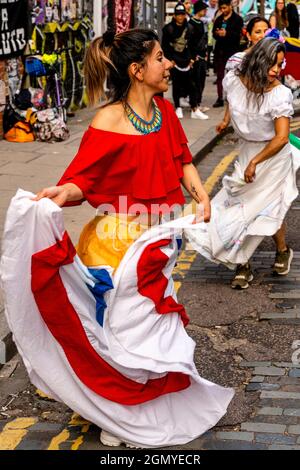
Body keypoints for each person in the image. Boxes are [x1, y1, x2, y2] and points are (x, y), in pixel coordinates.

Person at [1, 28, 234, 448]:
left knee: (152, 331)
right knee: (128, 333)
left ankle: (138, 405)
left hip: (160, 239)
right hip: (117, 242)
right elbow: (81, 180)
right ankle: (118, 410)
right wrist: (58, 194)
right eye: (160, 58)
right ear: (136, 69)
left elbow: (182, 160)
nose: (168, 65)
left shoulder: (164, 112)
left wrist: (201, 197)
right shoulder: (108, 119)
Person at [186, 37, 300, 289]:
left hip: (272, 157)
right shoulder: (233, 80)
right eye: (272, 63)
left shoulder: (280, 94)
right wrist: (226, 120)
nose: (276, 71)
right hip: (247, 151)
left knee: (268, 209)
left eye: (280, 65)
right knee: (241, 209)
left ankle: (281, 250)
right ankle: (242, 264)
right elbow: (232, 98)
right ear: (258, 60)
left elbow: (282, 137)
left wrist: (255, 163)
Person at [162, 2, 205, 119]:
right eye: (178, 14)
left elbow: (193, 45)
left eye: (182, 14)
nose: (181, 17)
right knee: (176, 85)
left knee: (192, 85)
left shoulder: (190, 28)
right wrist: (170, 60)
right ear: (175, 15)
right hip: (175, 61)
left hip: (187, 60)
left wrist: (192, 59)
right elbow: (165, 47)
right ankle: (178, 107)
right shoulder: (168, 29)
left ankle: (194, 109)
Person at [212, 0, 243, 108]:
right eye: (221, 8)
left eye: (225, 8)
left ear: (230, 6)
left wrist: (227, 33)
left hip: (232, 51)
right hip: (220, 51)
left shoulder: (237, 19)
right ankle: (220, 97)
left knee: (232, 76)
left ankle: (232, 97)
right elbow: (213, 34)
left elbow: (238, 35)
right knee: (220, 76)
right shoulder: (219, 19)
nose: (223, 10)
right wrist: (217, 33)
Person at [189, 0, 210, 119]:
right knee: (195, 82)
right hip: (195, 57)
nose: (206, 11)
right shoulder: (191, 23)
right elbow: (191, 42)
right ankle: (194, 106)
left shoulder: (201, 23)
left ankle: (198, 103)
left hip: (202, 56)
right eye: (204, 9)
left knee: (201, 81)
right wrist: (193, 56)